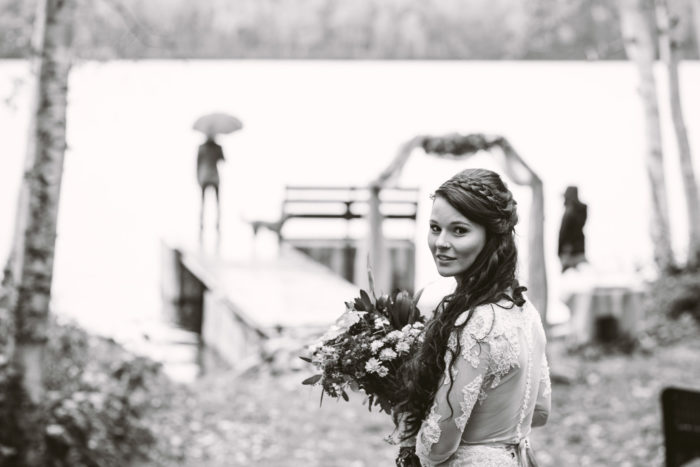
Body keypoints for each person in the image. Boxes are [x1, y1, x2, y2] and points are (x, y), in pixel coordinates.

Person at [393, 168, 551, 467]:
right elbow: (540, 411)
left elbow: (436, 446)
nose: (441, 242)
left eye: (459, 230)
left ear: (492, 237)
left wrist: (409, 405)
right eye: (435, 228)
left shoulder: (477, 323)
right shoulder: (525, 312)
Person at [197, 135, 225, 233]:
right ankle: (205, 223)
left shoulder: (211, 147)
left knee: (211, 202)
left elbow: (223, 160)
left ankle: (215, 223)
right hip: (209, 177)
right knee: (207, 201)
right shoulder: (204, 147)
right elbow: (223, 160)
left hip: (208, 176)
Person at [558, 186, 587, 272]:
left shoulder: (572, 211)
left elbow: (568, 233)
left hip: (571, 253)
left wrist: (566, 251)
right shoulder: (573, 210)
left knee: (571, 278)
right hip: (572, 252)